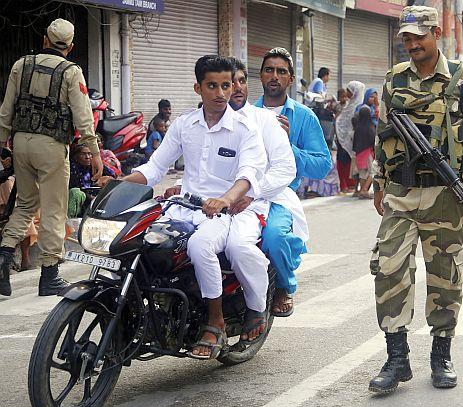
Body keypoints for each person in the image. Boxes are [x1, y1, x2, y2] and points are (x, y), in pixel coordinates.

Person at [368, 5, 463, 395]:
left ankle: (441, 354)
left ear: (436, 33)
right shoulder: (394, 80)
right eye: (405, 38)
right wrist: (378, 181)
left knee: (445, 275)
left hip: (445, 195)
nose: (411, 44)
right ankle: (396, 357)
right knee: (389, 268)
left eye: (418, 36)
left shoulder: (462, 80)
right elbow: (382, 136)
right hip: (401, 193)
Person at [101, 55, 269, 358]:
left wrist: (226, 199)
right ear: (198, 88)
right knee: (136, 241)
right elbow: (154, 169)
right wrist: (118, 184)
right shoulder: (184, 125)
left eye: (226, 86)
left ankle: (215, 321)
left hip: (221, 213)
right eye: (212, 86)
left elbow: (248, 175)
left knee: (200, 246)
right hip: (180, 208)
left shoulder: (245, 129)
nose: (220, 93)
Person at [0, 18, 102, 297]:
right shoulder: (71, 71)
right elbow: (83, 118)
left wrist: (2, 145)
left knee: (25, 204)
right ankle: (49, 275)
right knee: (54, 209)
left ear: (45, 40)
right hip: (52, 147)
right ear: (70, 46)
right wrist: (94, 152)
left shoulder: (21, 65)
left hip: (20, 142)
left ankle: (4, 256)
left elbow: (6, 108)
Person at [254, 48, 331, 316]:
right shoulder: (244, 113)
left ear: (290, 79)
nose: (274, 76)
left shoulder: (303, 116)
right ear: (260, 76)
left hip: (279, 197)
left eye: (281, 71)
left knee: (274, 238)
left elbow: (322, 165)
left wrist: (288, 145)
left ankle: (284, 286)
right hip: (242, 194)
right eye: (268, 70)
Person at [68, 144, 117, 218]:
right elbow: (75, 189)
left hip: (97, 198)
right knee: (75, 192)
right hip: (83, 200)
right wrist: (93, 199)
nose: (87, 157)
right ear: (76, 156)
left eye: (89, 154)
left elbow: (113, 176)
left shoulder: (96, 166)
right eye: (83, 154)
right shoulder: (71, 169)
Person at [335, 81, 366, 196]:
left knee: (352, 163)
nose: (347, 93)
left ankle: (354, 185)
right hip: (343, 140)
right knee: (344, 161)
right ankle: (348, 185)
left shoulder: (359, 107)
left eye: (349, 90)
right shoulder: (349, 105)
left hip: (354, 141)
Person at [352, 106, 375, 198]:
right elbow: (373, 140)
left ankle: (362, 190)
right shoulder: (370, 126)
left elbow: (355, 140)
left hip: (359, 153)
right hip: (367, 152)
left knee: (362, 173)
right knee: (373, 172)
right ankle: (364, 190)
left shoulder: (358, 127)